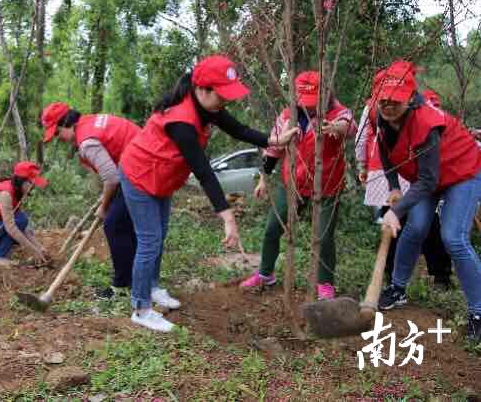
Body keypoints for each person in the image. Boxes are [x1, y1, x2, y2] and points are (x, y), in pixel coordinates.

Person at [118, 55, 298, 332]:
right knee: (149, 240)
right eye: (221, 95)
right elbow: (204, 172)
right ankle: (141, 308)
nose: (225, 101)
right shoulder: (181, 121)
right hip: (139, 177)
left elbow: (238, 129)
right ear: (202, 89)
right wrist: (227, 217)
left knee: (159, 235)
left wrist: (273, 140)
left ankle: (152, 287)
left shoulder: (208, 105)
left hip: (160, 179)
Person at [373, 60, 481, 343]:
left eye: (395, 101)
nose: (388, 107)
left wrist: (396, 211)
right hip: (426, 177)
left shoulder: (427, 123)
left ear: (410, 98)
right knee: (416, 227)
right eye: (383, 101)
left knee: (453, 238)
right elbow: (386, 154)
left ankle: (479, 313)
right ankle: (397, 288)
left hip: (462, 171)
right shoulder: (380, 119)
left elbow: (430, 182)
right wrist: (395, 187)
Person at [239, 71, 356, 299]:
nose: (309, 108)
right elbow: (273, 150)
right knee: (273, 228)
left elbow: (348, 127)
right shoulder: (287, 116)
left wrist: (334, 128)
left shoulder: (338, 112)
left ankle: (325, 284)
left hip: (328, 186)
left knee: (323, 236)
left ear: (325, 95)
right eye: (304, 102)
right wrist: (264, 179)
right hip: (292, 183)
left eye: (314, 102)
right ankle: (266, 273)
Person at [40, 102, 140, 299]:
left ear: (65, 123)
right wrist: (107, 197)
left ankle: (122, 285)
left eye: (58, 133)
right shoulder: (90, 122)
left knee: (113, 225)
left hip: (140, 170)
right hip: (137, 165)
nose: (59, 139)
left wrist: (104, 207)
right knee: (123, 224)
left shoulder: (86, 142)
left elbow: (111, 178)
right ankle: (135, 278)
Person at [355, 90, 452, 290]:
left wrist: (362, 165)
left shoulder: (374, 104)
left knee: (397, 224)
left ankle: (395, 279)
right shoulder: (423, 101)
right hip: (403, 169)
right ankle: (438, 276)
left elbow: (362, 139)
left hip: (397, 170)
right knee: (426, 222)